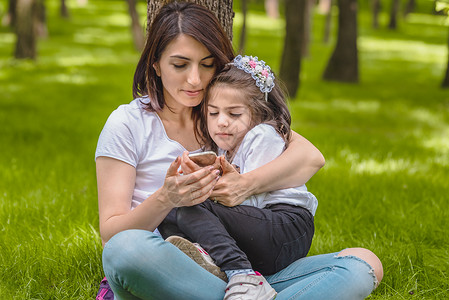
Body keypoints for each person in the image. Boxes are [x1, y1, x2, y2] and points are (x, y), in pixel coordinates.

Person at [96, 2, 383, 299]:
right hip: (166, 267)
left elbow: (310, 156)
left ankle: (245, 288)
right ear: (155, 64)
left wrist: (243, 186)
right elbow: (112, 233)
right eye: (180, 65)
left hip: (246, 266)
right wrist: (167, 198)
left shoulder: (225, 116)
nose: (195, 80)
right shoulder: (128, 123)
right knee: (124, 250)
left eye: (207, 65)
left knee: (362, 263)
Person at [164, 55, 318, 300]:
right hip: (258, 233)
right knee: (171, 210)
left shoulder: (262, 135)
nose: (221, 122)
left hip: (285, 227)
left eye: (234, 114)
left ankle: (243, 275)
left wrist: (208, 191)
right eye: (213, 113)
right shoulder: (223, 148)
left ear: (257, 113)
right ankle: (208, 261)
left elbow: (248, 200)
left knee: (190, 205)